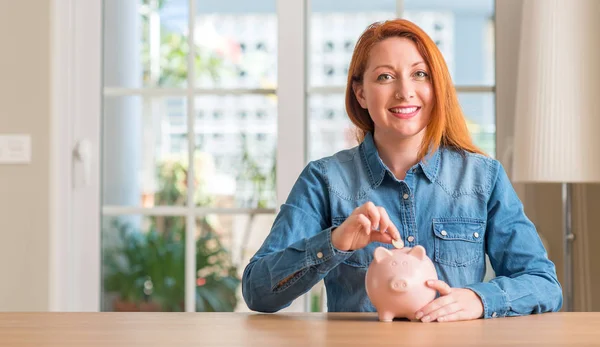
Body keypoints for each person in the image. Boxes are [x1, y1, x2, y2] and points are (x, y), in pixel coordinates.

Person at [241, 19, 562, 322]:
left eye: (420, 74)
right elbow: (257, 291)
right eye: (385, 76)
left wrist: (479, 300)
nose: (405, 91)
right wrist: (335, 242)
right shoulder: (324, 180)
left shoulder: (483, 177)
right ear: (361, 93)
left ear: (437, 87)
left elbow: (543, 283)